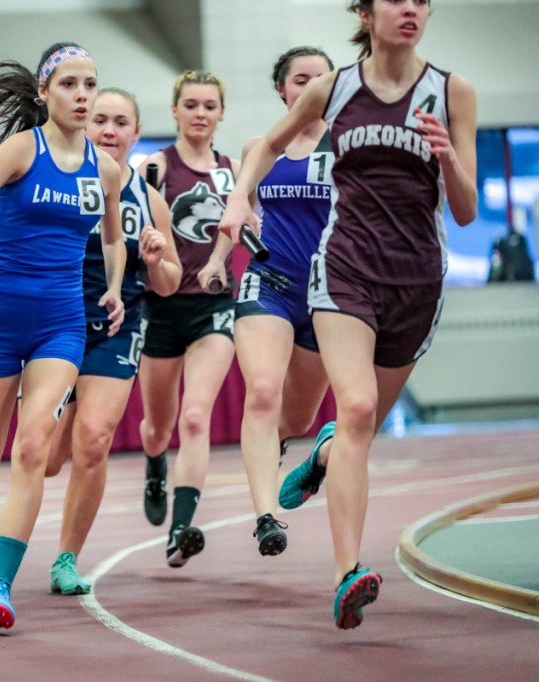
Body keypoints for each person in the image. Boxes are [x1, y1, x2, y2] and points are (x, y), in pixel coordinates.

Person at [219, 0, 477, 629]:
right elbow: (264, 145)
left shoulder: (453, 91)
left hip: (417, 281)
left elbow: (466, 211)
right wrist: (238, 196)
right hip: (343, 271)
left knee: (356, 430)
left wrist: (446, 156)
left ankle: (320, 458)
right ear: (365, 13)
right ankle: (346, 573)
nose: (411, 9)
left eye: (421, 0)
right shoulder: (335, 88)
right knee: (355, 408)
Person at [0, 42, 125, 631]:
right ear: (44, 92)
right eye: (69, 84)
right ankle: (0, 423)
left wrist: (116, 285)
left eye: (89, 84)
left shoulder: (108, 168)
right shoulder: (23, 148)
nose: (82, 95)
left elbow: (113, 237)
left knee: (32, 448)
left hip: (62, 325)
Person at [44, 87, 181, 595]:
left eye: (120, 122)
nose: (108, 130)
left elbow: (168, 282)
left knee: (96, 439)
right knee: (48, 458)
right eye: (99, 119)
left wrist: (156, 258)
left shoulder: (149, 199)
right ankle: (68, 407)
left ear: (136, 133)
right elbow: (1, 241)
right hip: (52, 318)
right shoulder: (54, 176)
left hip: (116, 324)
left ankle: (65, 559)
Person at [233, 47, 335, 557]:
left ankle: (315, 456)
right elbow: (238, 211)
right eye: (301, 79)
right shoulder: (261, 146)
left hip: (329, 295)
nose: (313, 87)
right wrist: (214, 260)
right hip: (268, 283)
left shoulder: (349, 147)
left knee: (295, 420)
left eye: (323, 78)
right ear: (282, 89)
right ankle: (266, 516)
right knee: (263, 393)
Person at [137, 70, 239, 569]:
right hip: (160, 307)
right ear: (174, 110)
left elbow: (247, 227)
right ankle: (155, 466)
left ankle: (181, 529)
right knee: (157, 427)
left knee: (195, 416)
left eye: (210, 105)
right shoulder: (154, 169)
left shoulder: (234, 171)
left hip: (213, 305)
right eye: (191, 104)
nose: (200, 113)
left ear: (221, 113)